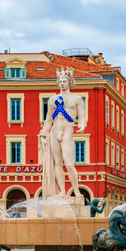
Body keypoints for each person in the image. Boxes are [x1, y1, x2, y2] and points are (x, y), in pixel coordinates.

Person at [39, 67, 86, 197]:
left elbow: (82, 117)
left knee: (69, 163)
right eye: (60, 81)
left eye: (64, 81)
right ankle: (63, 192)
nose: (62, 83)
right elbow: (48, 120)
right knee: (57, 163)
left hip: (67, 129)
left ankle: (76, 191)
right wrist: (43, 133)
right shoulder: (52, 100)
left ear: (69, 82)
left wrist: (82, 125)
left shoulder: (76, 99)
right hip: (55, 130)